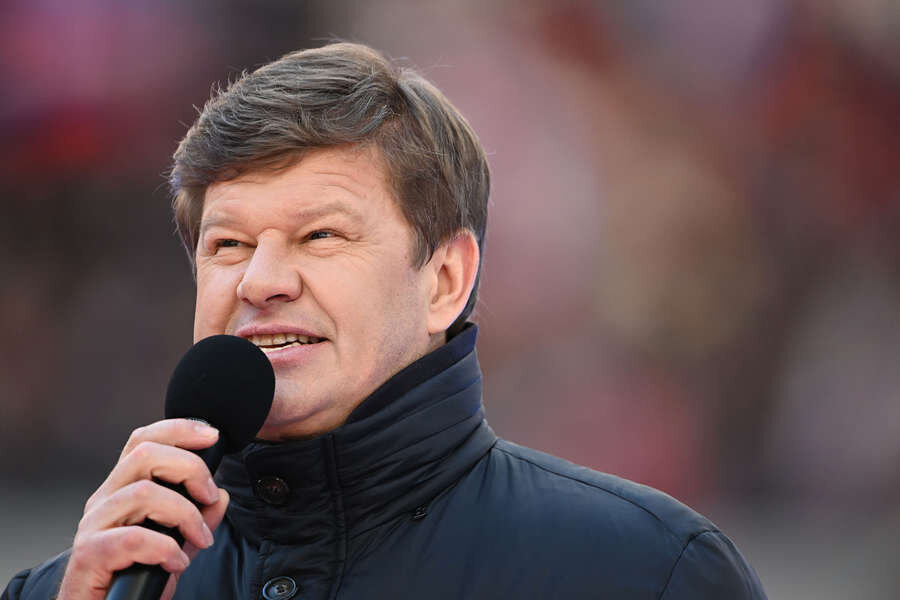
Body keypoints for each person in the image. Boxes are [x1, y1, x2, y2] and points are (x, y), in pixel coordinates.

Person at [3, 42, 766, 600]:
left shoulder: (648, 573)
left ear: (446, 280)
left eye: (320, 235)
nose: (260, 281)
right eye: (228, 245)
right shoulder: (76, 589)